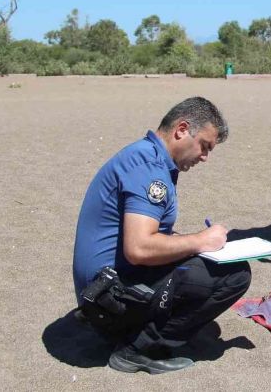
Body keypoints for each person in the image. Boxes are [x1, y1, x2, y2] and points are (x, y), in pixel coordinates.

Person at [72, 97, 251, 374]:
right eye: (204, 146)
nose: (205, 157)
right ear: (181, 129)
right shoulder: (150, 169)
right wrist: (201, 240)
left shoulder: (143, 155)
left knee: (199, 259)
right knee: (235, 274)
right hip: (107, 301)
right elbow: (140, 248)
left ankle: (128, 329)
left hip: (97, 293)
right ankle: (137, 348)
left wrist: (193, 244)